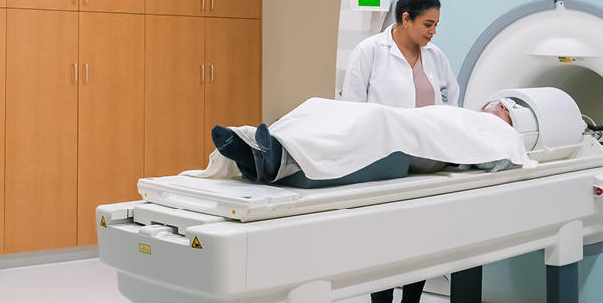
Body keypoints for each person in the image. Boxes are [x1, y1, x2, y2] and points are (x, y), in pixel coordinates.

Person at [343, 0, 458, 303]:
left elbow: (451, 102)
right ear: (405, 19)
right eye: (427, 23)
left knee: (422, 234)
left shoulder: (436, 57)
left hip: (427, 160)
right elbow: (352, 107)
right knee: (385, 238)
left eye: (437, 24)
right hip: (385, 161)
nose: (433, 32)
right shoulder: (370, 52)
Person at [209, 99, 522, 187]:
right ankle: (258, 150)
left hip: (421, 147)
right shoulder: (465, 113)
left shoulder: (499, 132)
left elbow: (499, 161)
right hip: (415, 125)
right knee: (322, 107)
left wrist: (497, 133)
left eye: (504, 109)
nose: (497, 107)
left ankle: (275, 155)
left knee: (375, 119)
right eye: (496, 104)